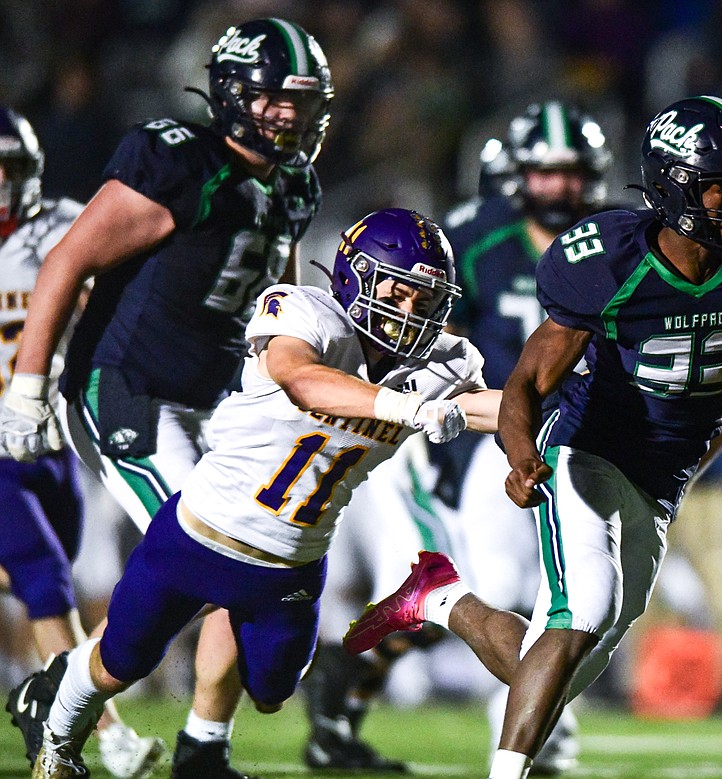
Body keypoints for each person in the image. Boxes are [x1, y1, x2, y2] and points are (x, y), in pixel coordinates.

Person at [343, 95, 722, 779]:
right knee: (582, 608)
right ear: (675, 184)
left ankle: (439, 596)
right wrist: (521, 453)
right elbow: (529, 383)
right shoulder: (609, 259)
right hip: (588, 450)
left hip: (666, 475)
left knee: (563, 658)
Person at [28, 207, 493, 779]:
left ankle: (201, 747)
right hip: (200, 534)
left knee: (274, 692)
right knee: (119, 663)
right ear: (356, 277)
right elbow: (300, 377)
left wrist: (561, 416)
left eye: (426, 302)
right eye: (400, 294)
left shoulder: (444, 365)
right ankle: (56, 735)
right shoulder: (305, 313)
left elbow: (488, 408)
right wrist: (409, 408)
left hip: (293, 563)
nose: (409, 314)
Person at [0, 18, 333, 778]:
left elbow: (273, 305)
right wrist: (28, 383)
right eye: (274, 98)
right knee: (209, 553)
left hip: (218, 396)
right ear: (232, 94)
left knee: (250, 546)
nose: (289, 114)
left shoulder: (294, 183)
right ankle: (54, 701)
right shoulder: (179, 161)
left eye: (302, 101)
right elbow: (68, 259)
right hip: (131, 390)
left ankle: (203, 749)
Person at [303, 100, 610, 774]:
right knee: (484, 584)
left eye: (574, 173)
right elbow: (418, 336)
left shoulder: (616, 243)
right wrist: (422, 414)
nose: (561, 187)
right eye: (547, 173)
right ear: (518, 176)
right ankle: (529, 731)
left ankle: (352, 674)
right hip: (475, 434)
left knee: (533, 589)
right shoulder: (475, 236)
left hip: (571, 440)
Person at [0, 107, 166, 779]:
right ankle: (110, 736)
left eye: (7, 171)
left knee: (49, 581)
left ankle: (45, 694)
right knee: (45, 579)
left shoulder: (66, 222)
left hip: (55, 439)